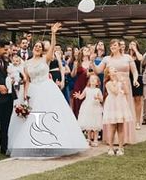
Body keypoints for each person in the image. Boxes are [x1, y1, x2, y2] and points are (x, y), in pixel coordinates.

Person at [8, 23, 88, 158]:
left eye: (40, 47)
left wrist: (53, 33)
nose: (38, 48)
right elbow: (27, 80)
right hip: (33, 91)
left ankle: (52, 144)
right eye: (36, 46)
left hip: (47, 89)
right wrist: (25, 95)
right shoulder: (26, 63)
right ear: (33, 49)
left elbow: (52, 47)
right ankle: (35, 145)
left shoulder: (46, 58)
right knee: (33, 119)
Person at [93, 39, 139, 144]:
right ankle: (111, 139)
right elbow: (98, 70)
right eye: (111, 46)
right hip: (112, 87)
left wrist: (135, 79)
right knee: (113, 110)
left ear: (119, 46)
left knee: (125, 111)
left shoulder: (128, 57)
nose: (112, 47)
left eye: (114, 45)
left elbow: (135, 71)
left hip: (125, 86)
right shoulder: (106, 59)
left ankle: (125, 138)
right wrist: (92, 62)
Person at [102, 66, 134, 156]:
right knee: (112, 128)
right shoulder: (108, 83)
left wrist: (123, 83)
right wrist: (117, 81)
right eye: (113, 69)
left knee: (121, 127)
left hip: (121, 104)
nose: (115, 70)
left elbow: (127, 92)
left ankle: (121, 147)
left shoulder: (120, 81)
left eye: (116, 69)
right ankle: (111, 147)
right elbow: (115, 92)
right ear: (109, 73)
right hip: (112, 105)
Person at [75, 73, 103, 147]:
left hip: (95, 108)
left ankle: (96, 139)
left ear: (97, 82)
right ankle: (89, 139)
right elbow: (82, 97)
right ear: (89, 82)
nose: (93, 80)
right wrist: (78, 96)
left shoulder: (98, 90)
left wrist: (98, 98)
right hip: (87, 107)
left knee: (95, 124)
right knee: (88, 124)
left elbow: (102, 99)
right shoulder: (86, 89)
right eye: (91, 79)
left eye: (94, 79)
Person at [70, 46, 91, 117]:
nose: (87, 50)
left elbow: (91, 74)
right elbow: (72, 75)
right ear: (81, 52)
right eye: (85, 49)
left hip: (88, 85)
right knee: (78, 103)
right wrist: (75, 67)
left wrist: (88, 72)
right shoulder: (78, 62)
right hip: (78, 85)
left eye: (88, 49)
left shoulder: (91, 63)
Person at [128, 41, 144, 129]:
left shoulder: (138, 55)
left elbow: (141, 59)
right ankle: (130, 121)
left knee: (138, 100)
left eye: (134, 44)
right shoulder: (126, 55)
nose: (132, 45)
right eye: (131, 44)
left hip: (137, 78)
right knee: (128, 100)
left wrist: (135, 49)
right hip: (127, 78)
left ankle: (137, 122)